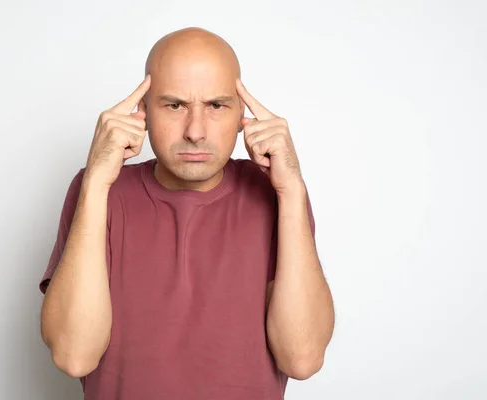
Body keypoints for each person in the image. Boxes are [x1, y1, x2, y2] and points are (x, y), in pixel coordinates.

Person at [38, 27, 335, 399]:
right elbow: (73, 356)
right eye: (174, 105)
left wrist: (291, 191)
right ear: (142, 111)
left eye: (216, 105)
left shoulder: (278, 193)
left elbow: (302, 358)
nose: (195, 131)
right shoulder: (99, 189)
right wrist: (96, 182)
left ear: (242, 113)